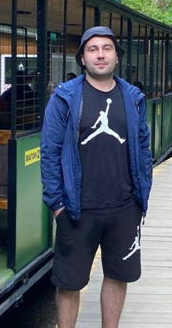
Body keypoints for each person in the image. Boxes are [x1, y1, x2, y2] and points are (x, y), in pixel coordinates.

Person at [41, 26, 152, 328]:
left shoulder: (133, 98)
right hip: (77, 207)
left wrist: (141, 196)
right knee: (70, 282)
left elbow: (143, 147)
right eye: (93, 49)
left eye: (106, 48)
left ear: (116, 56)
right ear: (82, 58)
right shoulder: (65, 98)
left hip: (124, 206)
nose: (100, 55)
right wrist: (57, 204)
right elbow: (49, 152)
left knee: (118, 275)